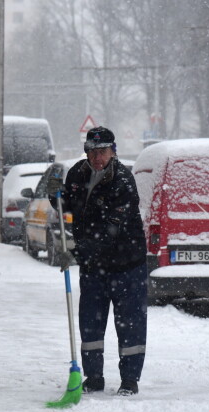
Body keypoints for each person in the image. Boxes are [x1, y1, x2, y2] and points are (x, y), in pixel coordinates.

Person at [48, 126, 148, 396]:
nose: (97, 157)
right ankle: (93, 378)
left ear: (113, 151)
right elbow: (67, 206)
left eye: (102, 151)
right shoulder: (77, 175)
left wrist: (77, 253)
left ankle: (129, 380)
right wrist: (55, 194)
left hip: (127, 265)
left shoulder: (123, 181)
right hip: (94, 268)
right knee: (90, 323)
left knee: (129, 324)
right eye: (92, 152)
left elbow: (110, 232)